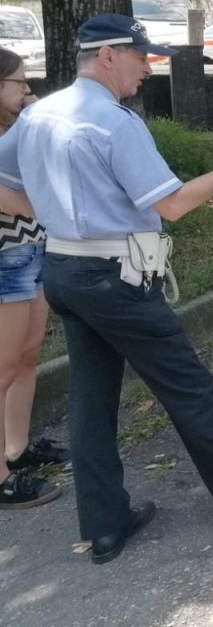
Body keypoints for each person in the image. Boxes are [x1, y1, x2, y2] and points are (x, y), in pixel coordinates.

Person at [0, 14, 213, 564]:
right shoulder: (114, 122)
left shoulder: (36, 115)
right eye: (140, 55)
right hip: (117, 278)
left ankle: (105, 525)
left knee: (91, 402)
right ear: (107, 55)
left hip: (63, 270)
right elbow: (173, 204)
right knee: (189, 387)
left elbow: (5, 184)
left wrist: (51, 214)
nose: (147, 65)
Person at [0, 49, 68, 509]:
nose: (28, 90)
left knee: (26, 358)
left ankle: (16, 449)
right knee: (1, 367)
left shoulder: (17, 130)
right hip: (5, 258)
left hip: (32, 248)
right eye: (19, 83)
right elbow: (16, 200)